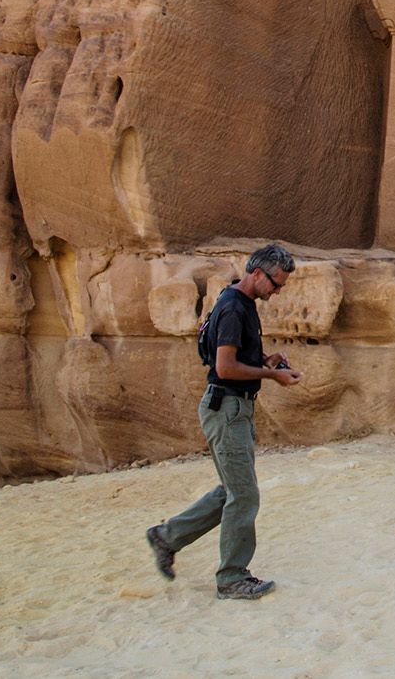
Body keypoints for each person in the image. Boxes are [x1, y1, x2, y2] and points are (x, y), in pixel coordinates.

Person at [145, 244, 303, 600]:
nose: (278, 292)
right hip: (227, 409)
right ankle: (231, 577)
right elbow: (224, 367)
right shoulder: (233, 307)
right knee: (244, 496)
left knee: (231, 491)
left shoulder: (240, 302)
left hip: (233, 408)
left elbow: (235, 355)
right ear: (258, 274)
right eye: (276, 284)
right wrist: (270, 375)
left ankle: (166, 538)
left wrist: (267, 359)